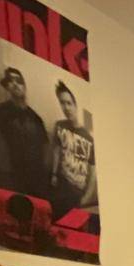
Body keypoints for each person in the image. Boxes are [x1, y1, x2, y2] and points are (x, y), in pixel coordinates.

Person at [0, 67, 51, 199]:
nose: (15, 84)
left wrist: (45, 174)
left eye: (18, 80)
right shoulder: (3, 110)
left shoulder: (36, 118)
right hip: (16, 174)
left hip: (38, 176)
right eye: (10, 81)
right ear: (7, 87)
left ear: (24, 85)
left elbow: (45, 145)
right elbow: (7, 135)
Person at [48, 80, 97, 219]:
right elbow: (56, 150)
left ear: (75, 105)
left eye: (69, 103)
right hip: (61, 183)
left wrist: (87, 197)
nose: (66, 108)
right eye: (62, 103)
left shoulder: (89, 138)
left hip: (77, 191)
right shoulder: (59, 126)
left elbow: (92, 171)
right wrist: (53, 174)